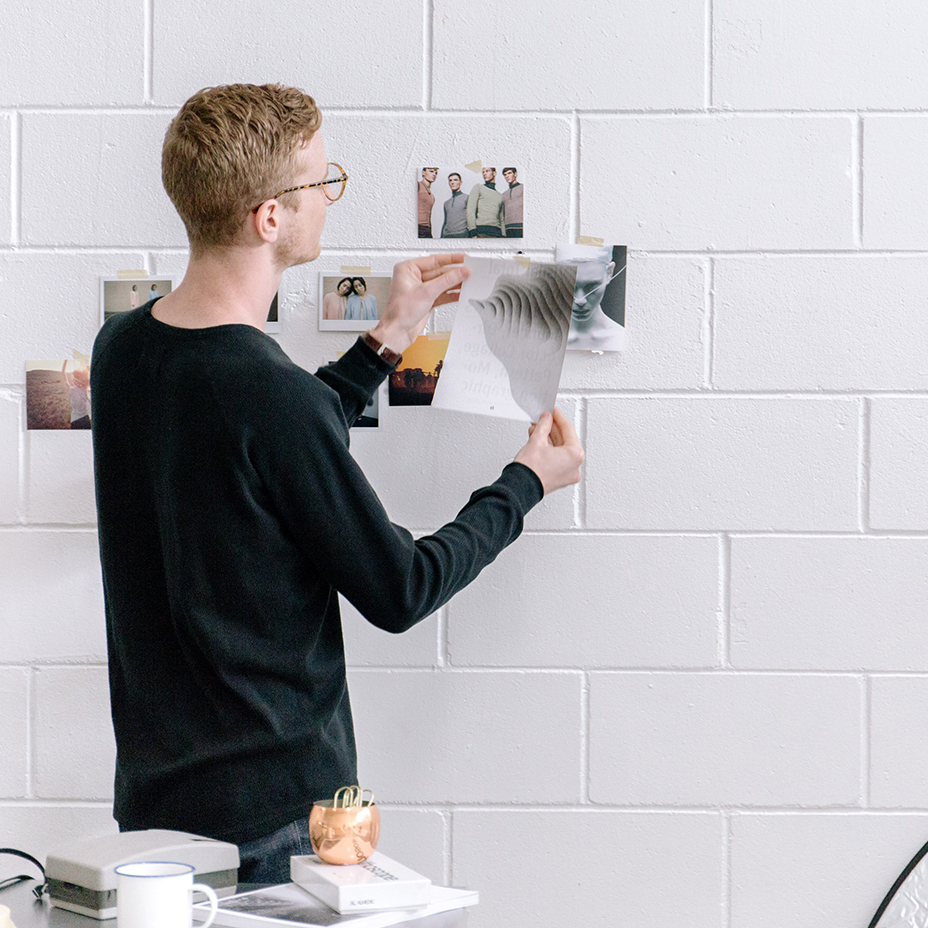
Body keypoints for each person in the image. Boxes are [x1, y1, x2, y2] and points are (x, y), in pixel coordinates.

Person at [90, 83, 583, 884]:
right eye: (322, 181)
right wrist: (525, 483)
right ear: (269, 217)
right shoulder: (270, 396)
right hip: (277, 823)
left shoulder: (121, 349)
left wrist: (388, 335)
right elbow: (401, 588)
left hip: (154, 811)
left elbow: (268, 447)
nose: (329, 196)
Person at [466, 166, 506, 237]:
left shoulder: (500, 196)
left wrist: (504, 235)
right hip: (481, 231)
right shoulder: (478, 187)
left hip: (497, 233)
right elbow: (470, 210)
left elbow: (501, 218)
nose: (484, 174)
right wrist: (472, 231)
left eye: (487, 171)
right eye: (483, 172)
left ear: (494, 173)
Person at [62, 360, 91, 429]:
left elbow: (63, 373)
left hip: (75, 420)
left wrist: (65, 361)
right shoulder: (87, 390)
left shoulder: (71, 389)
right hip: (85, 419)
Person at [440, 173, 468, 238]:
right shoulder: (446, 203)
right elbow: (445, 222)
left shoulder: (467, 198)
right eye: (450, 180)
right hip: (447, 236)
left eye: (455, 180)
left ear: (460, 182)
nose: (452, 182)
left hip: (462, 235)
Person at [501, 167, 523, 239]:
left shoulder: (523, 188)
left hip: (521, 226)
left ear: (515, 174)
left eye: (509, 173)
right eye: (505, 174)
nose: (507, 176)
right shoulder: (504, 194)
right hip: (508, 228)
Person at [417, 167, 438, 238]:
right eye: (431, 171)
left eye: (436, 173)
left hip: (426, 229)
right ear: (423, 173)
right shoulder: (418, 185)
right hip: (418, 227)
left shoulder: (432, 196)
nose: (434, 174)